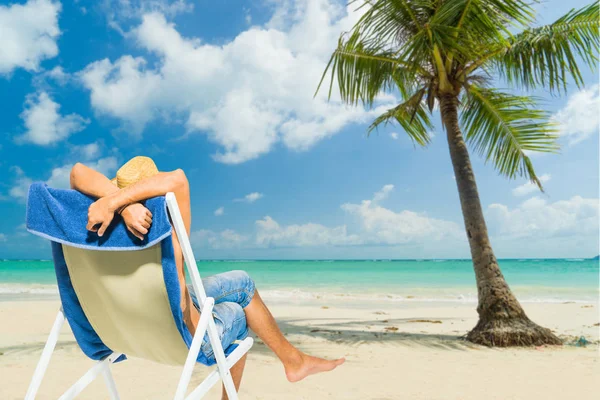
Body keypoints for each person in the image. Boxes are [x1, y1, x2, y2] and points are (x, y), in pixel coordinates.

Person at [69, 156, 344, 399]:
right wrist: (125, 204)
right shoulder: (161, 220)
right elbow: (177, 178)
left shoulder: (87, 225)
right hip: (181, 338)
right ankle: (289, 365)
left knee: (242, 282)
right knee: (238, 310)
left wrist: (114, 203)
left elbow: (77, 172)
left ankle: (294, 361)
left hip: (114, 332)